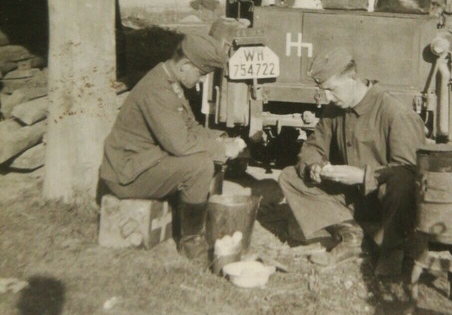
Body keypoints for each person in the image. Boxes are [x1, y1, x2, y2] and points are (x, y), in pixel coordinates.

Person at [278, 46, 425, 271]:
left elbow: (410, 172)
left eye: (332, 89)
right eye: (323, 90)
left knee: (402, 184)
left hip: (385, 204)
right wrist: (314, 166)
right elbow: (312, 147)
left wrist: (363, 176)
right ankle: (353, 236)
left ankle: (391, 245)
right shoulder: (335, 109)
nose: (327, 97)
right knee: (290, 176)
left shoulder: (395, 113)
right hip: (351, 201)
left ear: (353, 79)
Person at [100, 33, 245, 242]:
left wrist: (221, 139)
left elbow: (189, 127)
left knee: (206, 157)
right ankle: (191, 241)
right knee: (200, 165)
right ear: (185, 64)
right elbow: (180, 145)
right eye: (202, 74)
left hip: (145, 161)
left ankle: (199, 226)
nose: (202, 80)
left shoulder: (169, 81)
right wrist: (221, 150)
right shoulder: (157, 90)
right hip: (127, 174)